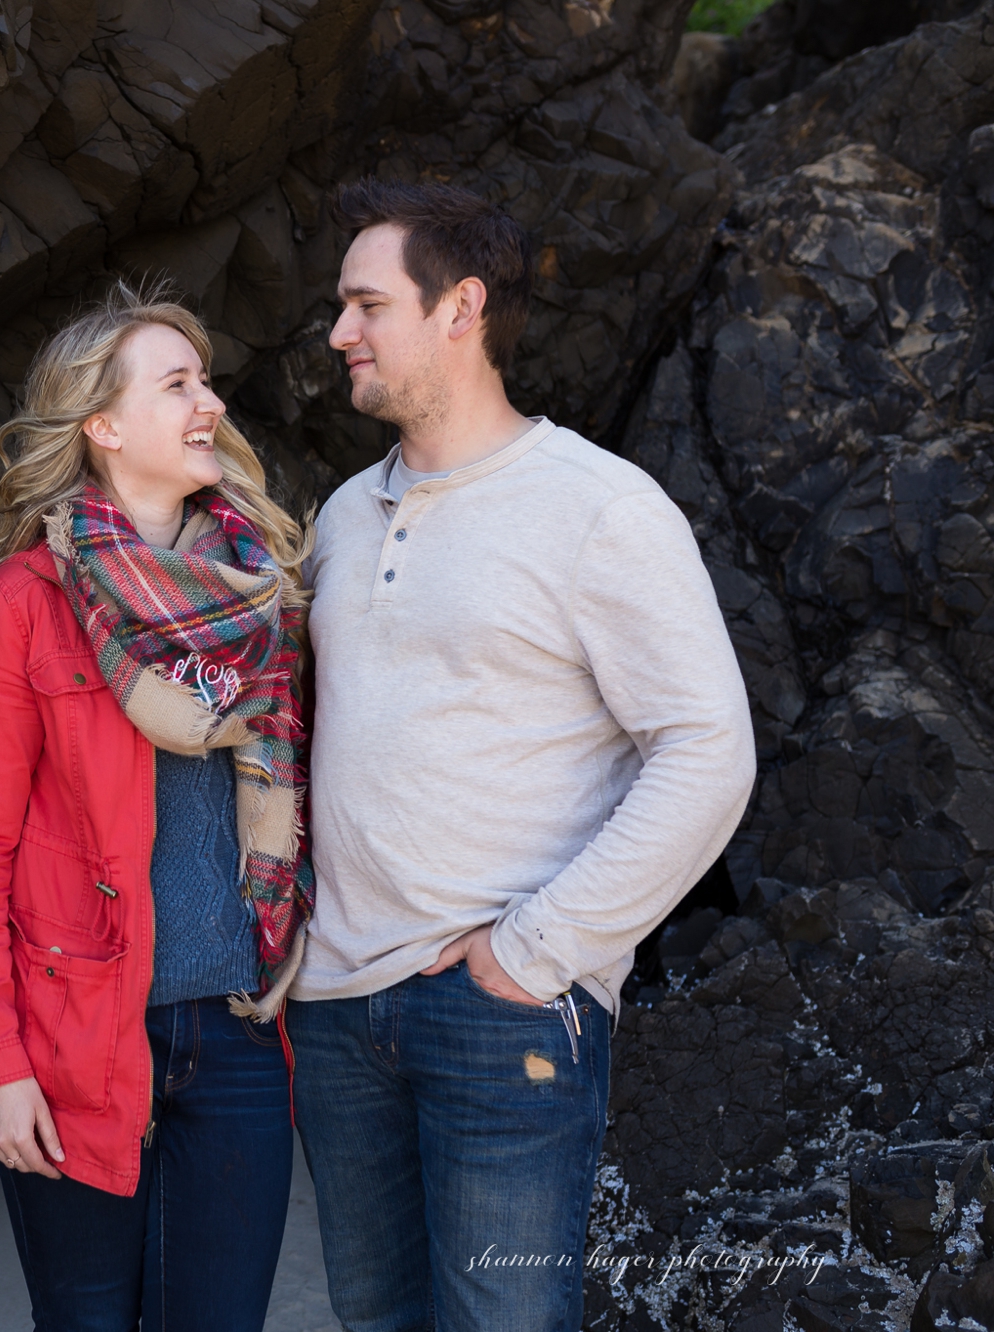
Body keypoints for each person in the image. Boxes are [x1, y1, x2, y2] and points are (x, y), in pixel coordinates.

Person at [288, 179, 757, 1331]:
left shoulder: (598, 507)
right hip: (337, 1008)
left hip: (499, 1013)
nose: (338, 333)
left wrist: (537, 947)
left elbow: (705, 749)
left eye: (364, 305)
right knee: (373, 1321)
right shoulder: (343, 514)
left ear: (460, 308)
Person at [0, 282, 315, 1332]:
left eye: (208, 383)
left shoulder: (263, 593)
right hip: (73, 1040)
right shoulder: (13, 614)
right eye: (178, 384)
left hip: (238, 1033)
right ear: (101, 425)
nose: (212, 406)